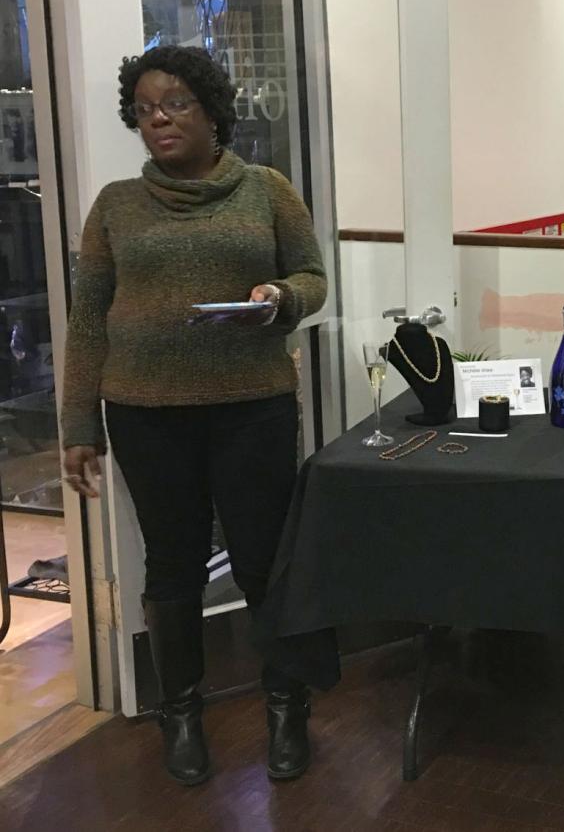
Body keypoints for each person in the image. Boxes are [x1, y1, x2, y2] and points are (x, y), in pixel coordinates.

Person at [60, 45, 337, 786]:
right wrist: (78, 425)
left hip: (252, 408)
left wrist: (281, 298)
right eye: (146, 108)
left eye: (176, 102)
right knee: (172, 566)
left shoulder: (267, 190)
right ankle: (179, 714)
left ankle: (286, 705)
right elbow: (88, 319)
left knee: (261, 560)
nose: (159, 118)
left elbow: (314, 278)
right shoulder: (115, 206)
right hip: (147, 415)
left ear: (213, 110)